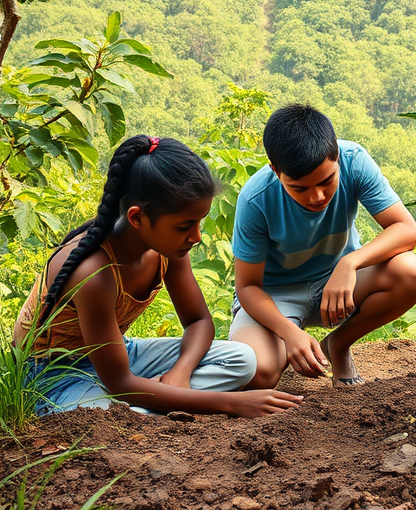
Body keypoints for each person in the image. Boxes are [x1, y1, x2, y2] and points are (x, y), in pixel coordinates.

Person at [14, 135, 300, 417]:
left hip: (118, 357)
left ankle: (148, 405)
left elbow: (199, 321)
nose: (197, 237)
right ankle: (144, 408)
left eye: (199, 223)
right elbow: (120, 382)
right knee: (102, 415)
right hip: (54, 375)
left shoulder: (166, 249)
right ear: (137, 218)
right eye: (185, 226)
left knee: (243, 359)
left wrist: (181, 371)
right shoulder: (94, 272)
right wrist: (231, 403)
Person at [230, 104, 416, 388]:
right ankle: (284, 343)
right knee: (258, 373)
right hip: (275, 296)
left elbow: (406, 229)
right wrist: (289, 332)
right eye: (299, 188)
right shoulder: (255, 198)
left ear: (337, 156)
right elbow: (247, 287)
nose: (317, 196)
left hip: (339, 283)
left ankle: (338, 344)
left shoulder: (354, 160)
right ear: (275, 170)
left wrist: (349, 263)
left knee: (411, 271)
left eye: (327, 181)